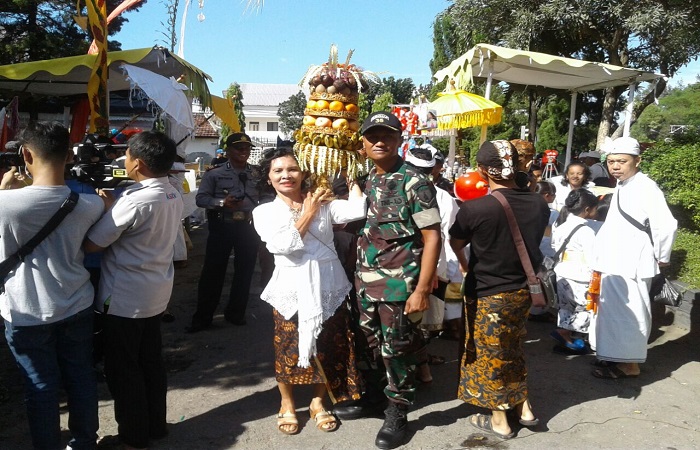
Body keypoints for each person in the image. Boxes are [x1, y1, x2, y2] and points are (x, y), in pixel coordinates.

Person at [335, 112, 441, 450]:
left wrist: (423, 288)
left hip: (399, 283)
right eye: (373, 136)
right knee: (367, 342)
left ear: (400, 140)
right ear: (363, 143)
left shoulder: (415, 182)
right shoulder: (366, 180)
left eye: (388, 135)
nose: (380, 141)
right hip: (365, 282)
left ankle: (398, 410)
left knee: (396, 347)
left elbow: (432, 236)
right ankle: (374, 396)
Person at [0, 122, 103, 450]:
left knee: (40, 388)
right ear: (70, 156)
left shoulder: (4, 205)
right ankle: (84, 442)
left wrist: (4, 189)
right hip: (77, 303)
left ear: (26, 155)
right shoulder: (91, 205)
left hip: (26, 312)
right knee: (81, 377)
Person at [252, 148, 365, 435]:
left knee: (328, 344)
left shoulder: (325, 203)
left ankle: (317, 401)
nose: (286, 175)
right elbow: (284, 245)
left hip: (328, 284)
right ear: (268, 178)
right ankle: (287, 403)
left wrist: (348, 173)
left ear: (304, 173)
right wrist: (309, 211)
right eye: (278, 171)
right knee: (287, 347)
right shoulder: (264, 211)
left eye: (292, 169)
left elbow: (357, 209)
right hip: (291, 288)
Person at [84, 131, 182, 450]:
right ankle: (155, 426)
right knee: (151, 363)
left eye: (125, 156)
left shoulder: (135, 200)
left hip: (123, 298)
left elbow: (93, 243)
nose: (122, 161)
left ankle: (133, 437)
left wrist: (106, 208)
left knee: (123, 370)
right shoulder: (171, 192)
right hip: (154, 294)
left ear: (137, 163)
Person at [449, 140, 549, 440]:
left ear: (482, 170)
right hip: (523, 292)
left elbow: (455, 242)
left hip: (489, 293)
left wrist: (465, 265)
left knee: (490, 355)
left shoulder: (476, 208)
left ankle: (499, 420)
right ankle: (525, 408)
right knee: (514, 348)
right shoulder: (540, 203)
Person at [591, 136, 677, 379]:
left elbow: (666, 225)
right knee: (615, 313)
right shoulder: (624, 185)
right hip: (615, 261)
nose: (615, 166)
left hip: (633, 262)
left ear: (637, 161)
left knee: (632, 314)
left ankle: (630, 365)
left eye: (622, 161)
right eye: (611, 161)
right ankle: (614, 357)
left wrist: (662, 257)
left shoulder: (646, 187)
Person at [188, 133, 261, 332]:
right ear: (228, 151)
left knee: (245, 271)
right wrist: (221, 203)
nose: (243, 152)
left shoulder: (257, 173)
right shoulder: (214, 174)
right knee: (213, 272)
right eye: (239, 148)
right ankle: (203, 318)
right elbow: (201, 199)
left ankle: (236, 313)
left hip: (248, 227)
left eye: (247, 148)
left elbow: (266, 196)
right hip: (222, 226)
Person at [550, 189, 599, 353]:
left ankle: (565, 334)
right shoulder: (586, 231)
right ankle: (565, 334)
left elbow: (553, 247)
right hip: (580, 275)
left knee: (565, 306)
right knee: (583, 307)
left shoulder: (560, 226)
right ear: (587, 209)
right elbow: (593, 258)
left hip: (562, 272)